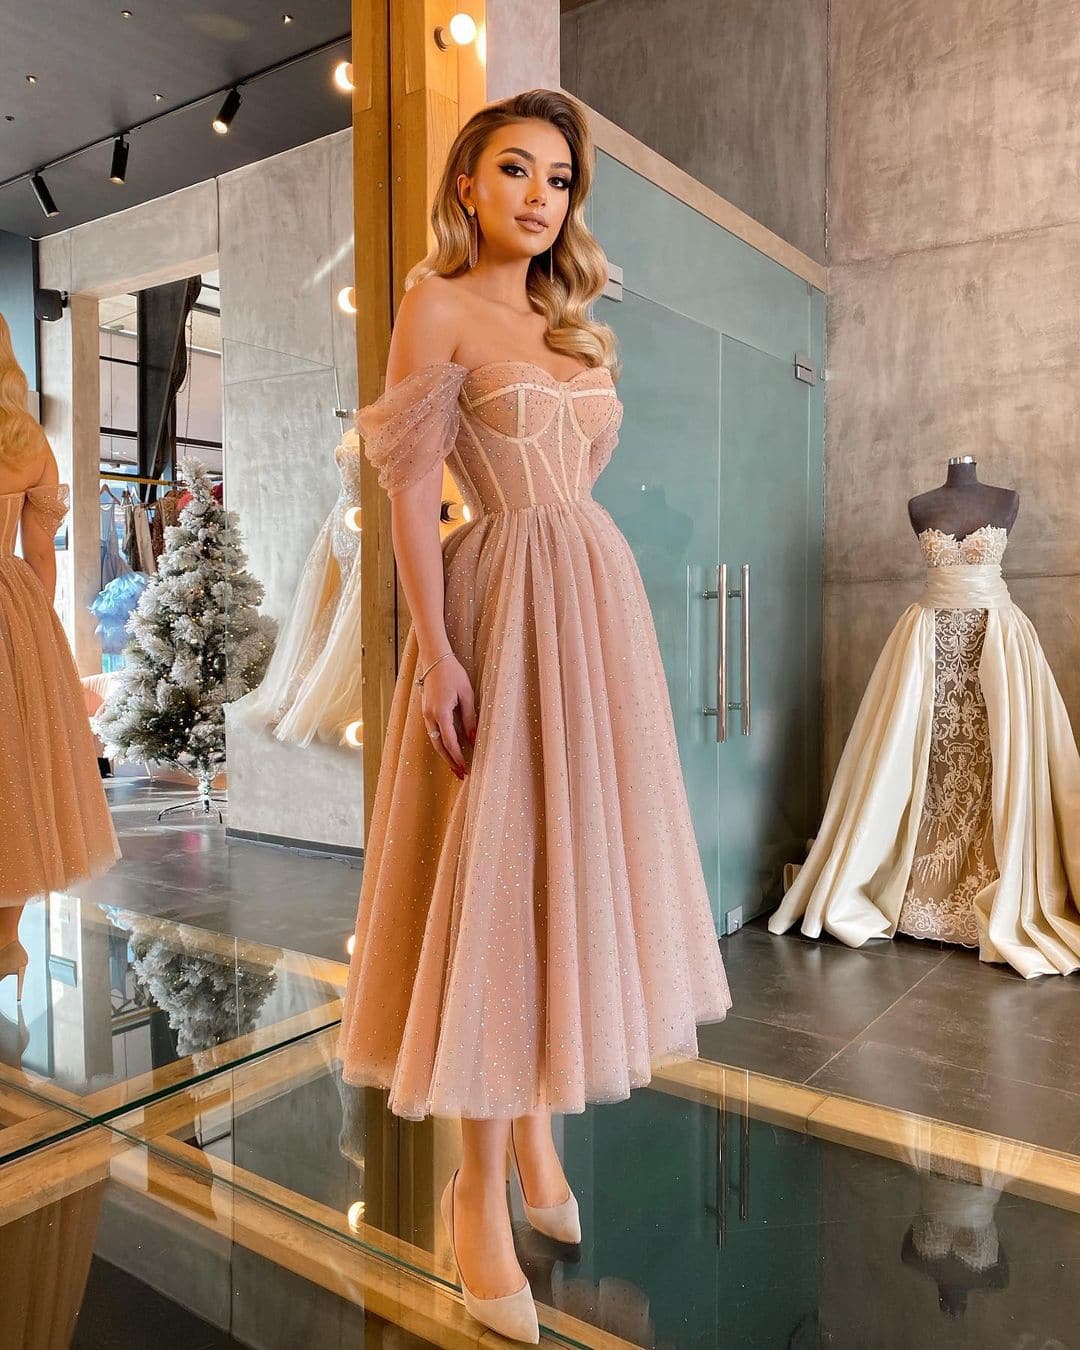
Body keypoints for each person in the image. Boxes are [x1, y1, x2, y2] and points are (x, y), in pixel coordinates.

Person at [336, 89, 730, 1342]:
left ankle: (537, 1138)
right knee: (499, 882)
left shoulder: (575, 325)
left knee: (568, 872)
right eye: (515, 170)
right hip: (497, 602)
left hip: (593, 609)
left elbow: (583, 477)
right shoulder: (435, 305)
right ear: (467, 182)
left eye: (559, 181)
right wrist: (438, 654)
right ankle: (475, 1187)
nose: (539, 197)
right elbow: (410, 497)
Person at [0, 311, 120, 997]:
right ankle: (7, 943)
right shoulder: (26, 441)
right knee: (15, 775)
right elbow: (42, 555)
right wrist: (30, 632)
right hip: (12, 604)